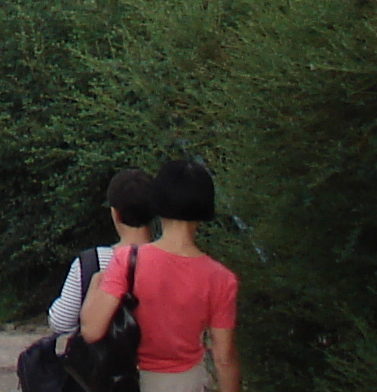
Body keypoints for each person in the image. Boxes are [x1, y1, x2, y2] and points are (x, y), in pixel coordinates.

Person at [79, 158, 239, 392]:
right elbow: (224, 357)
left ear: (157, 201)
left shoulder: (127, 261)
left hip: (132, 380)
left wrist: (95, 284)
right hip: (188, 381)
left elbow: (91, 330)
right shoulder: (221, 278)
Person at [49, 170, 154, 338]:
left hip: (105, 361)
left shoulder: (91, 262)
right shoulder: (171, 260)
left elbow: (61, 322)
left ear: (115, 213)